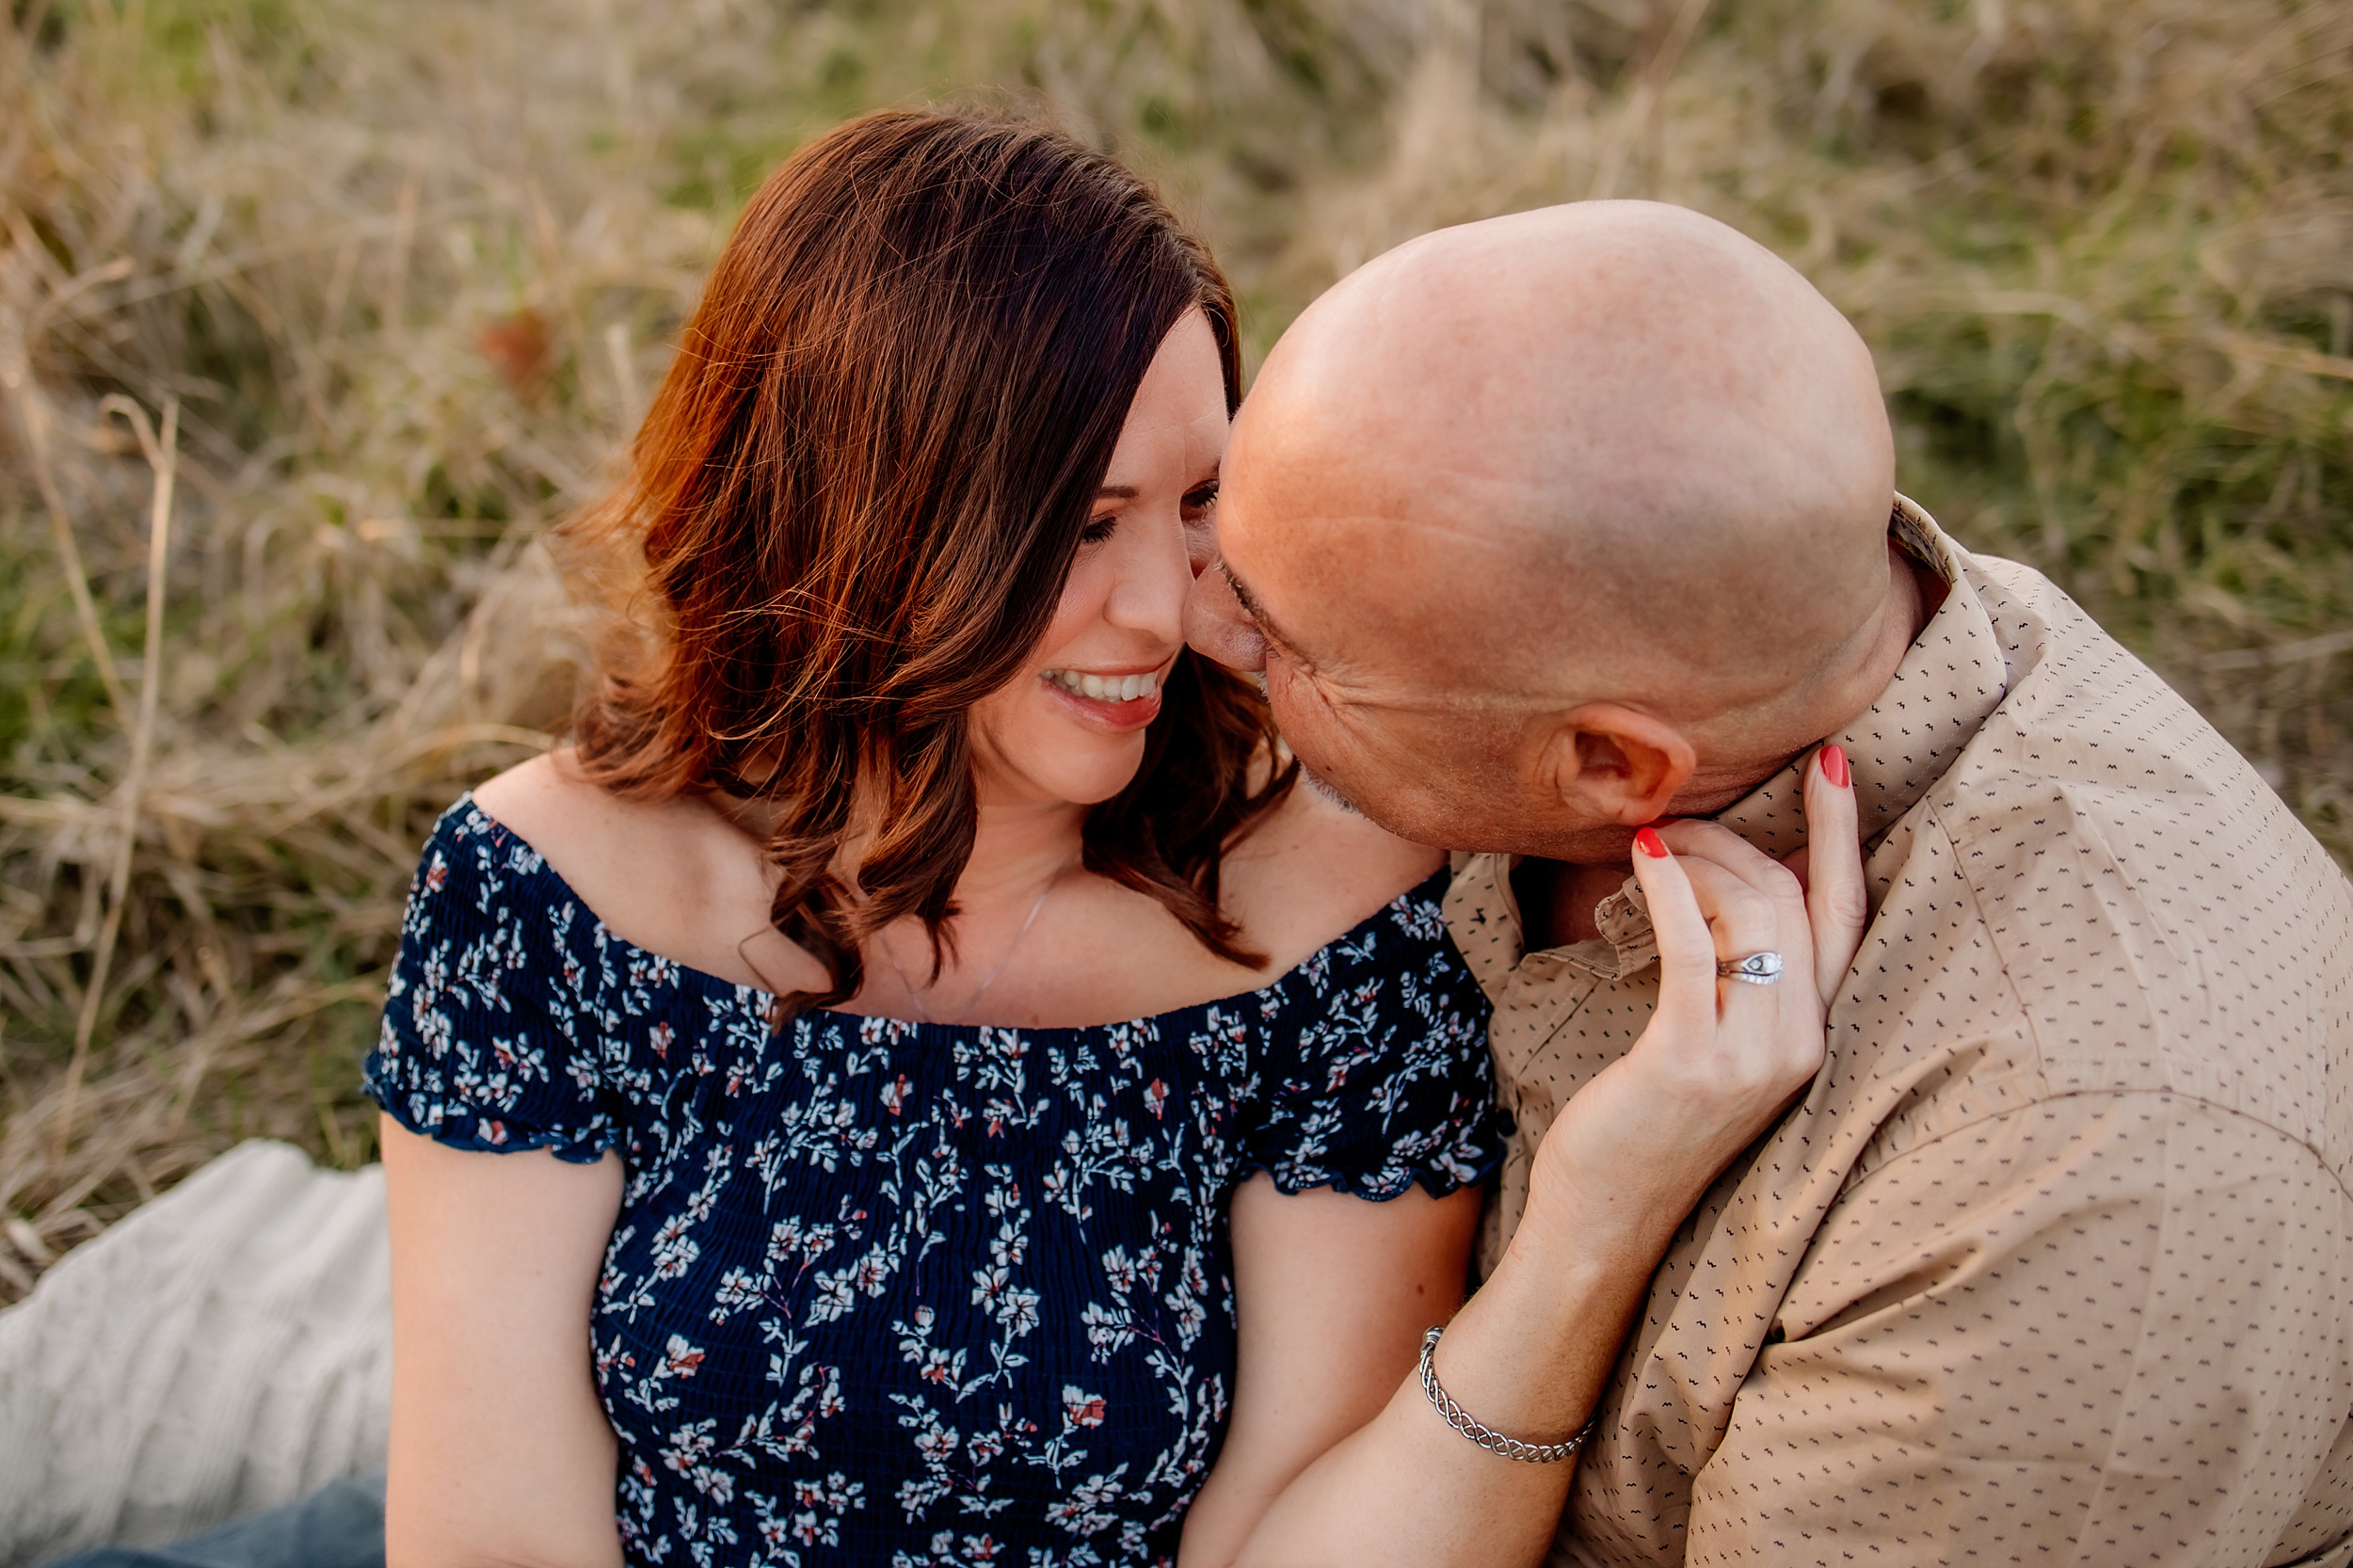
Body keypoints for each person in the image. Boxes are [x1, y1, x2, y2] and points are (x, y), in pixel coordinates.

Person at [359, 117, 1872, 1568]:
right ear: (855, 522)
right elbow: (493, 1530)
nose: (1162, 607)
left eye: (1202, 500)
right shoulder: (548, 893)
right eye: (1086, 526)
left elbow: (1304, 1545)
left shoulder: (1328, 924)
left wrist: (1590, 1233)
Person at [1185, 198, 2353, 1565]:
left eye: (1289, 647)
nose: (1200, 625)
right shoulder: (1724, 635)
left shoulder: (2048, 1198)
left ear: (1616, 765)